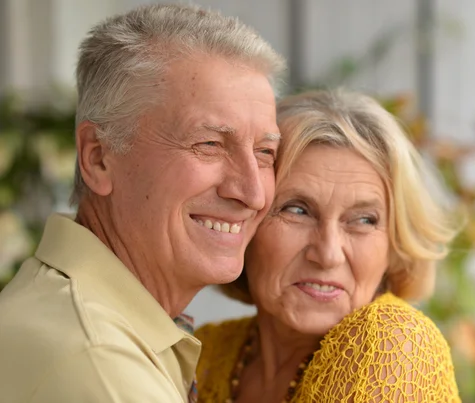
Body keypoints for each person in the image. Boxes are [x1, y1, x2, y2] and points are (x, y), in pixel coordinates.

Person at [0, 3, 285, 402]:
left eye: (265, 152)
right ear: (98, 157)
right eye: (209, 144)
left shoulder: (78, 317)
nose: (253, 193)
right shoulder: (99, 362)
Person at [194, 89, 461, 402]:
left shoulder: (395, 342)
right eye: (297, 210)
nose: (328, 254)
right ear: (247, 221)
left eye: (363, 220)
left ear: (395, 244)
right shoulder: (207, 353)